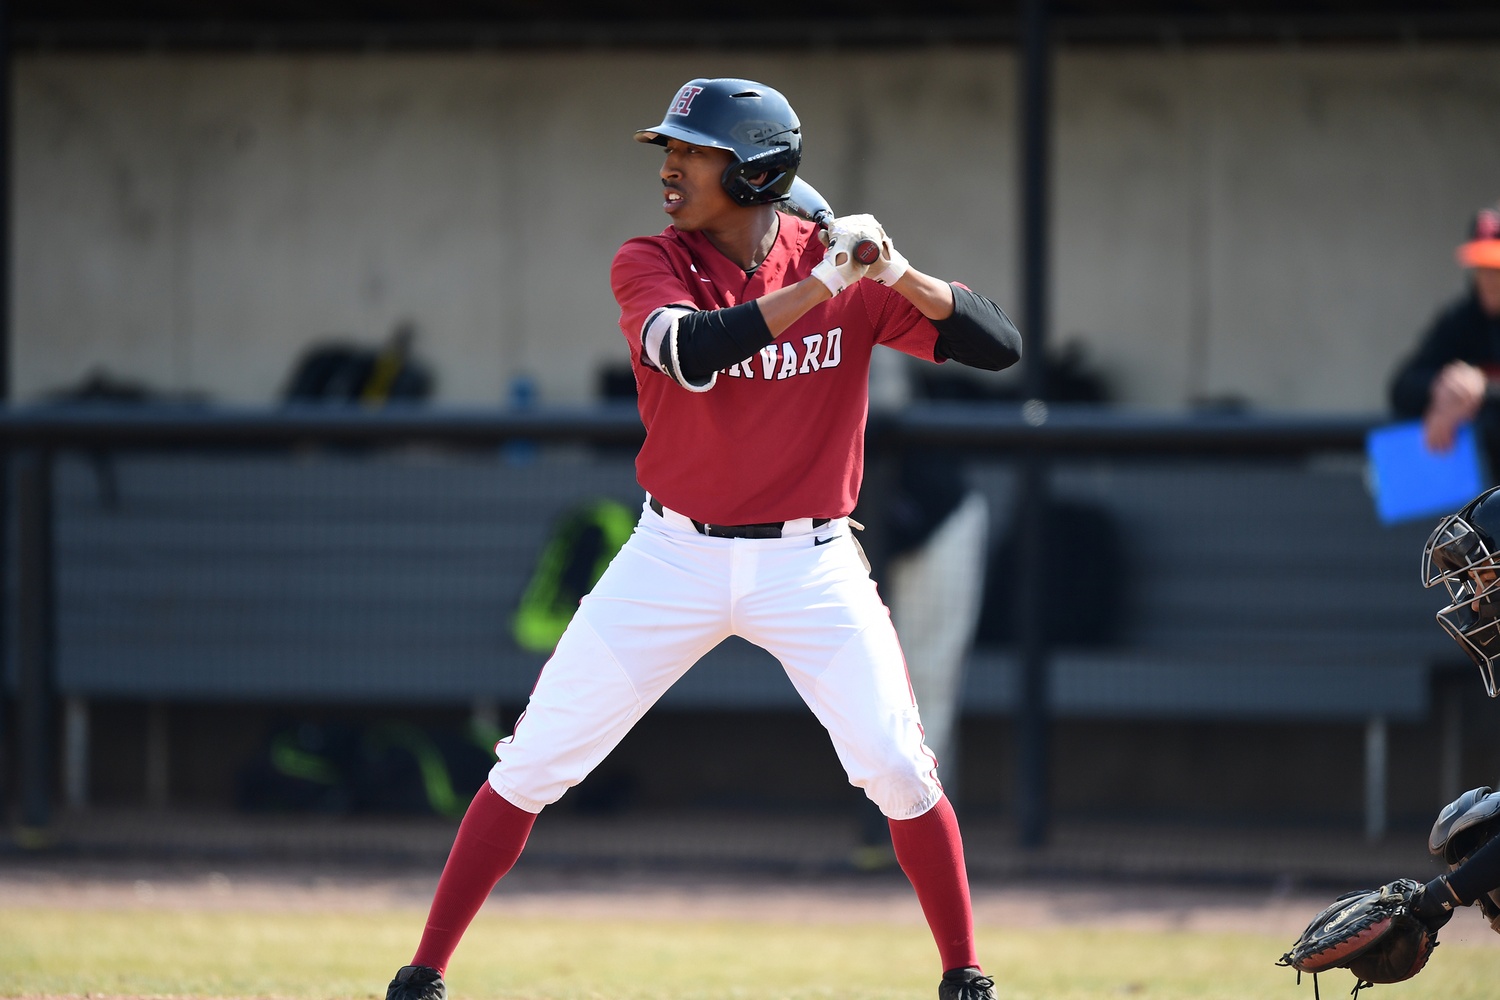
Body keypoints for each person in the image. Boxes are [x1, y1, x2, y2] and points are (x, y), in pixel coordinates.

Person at [383, 77, 1022, 1000]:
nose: (672, 168)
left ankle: (965, 975)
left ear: (758, 172)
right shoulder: (651, 259)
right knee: (535, 758)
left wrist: (895, 275)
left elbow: (997, 347)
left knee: (895, 763)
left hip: (811, 562)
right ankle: (425, 971)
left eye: (695, 151)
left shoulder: (836, 266)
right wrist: (820, 289)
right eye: (670, 150)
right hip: (672, 554)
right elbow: (688, 352)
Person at [1389, 203, 1500, 467]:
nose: (1489, 279)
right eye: (1482, 266)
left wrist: (1481, 390)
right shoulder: (1461, 318)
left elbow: (1482, 391)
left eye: (1497, 268)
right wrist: (1443, 390)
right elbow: (1401, 387)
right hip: (1482, 491)